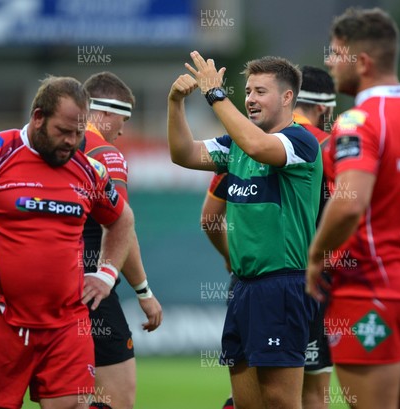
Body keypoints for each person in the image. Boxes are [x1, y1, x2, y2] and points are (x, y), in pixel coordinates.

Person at [0, 76, 134, 409]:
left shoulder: (89, 170)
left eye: (79, 133)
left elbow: (122, 219)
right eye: (63, 131)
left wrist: (106, 275)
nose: (72, 142)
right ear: (38, 117)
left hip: (67, 322)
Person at [306, 7, 400, 409]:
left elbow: (349, 204)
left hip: (370, 287)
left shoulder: (359, 120)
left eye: (336, 53)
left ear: (362, 62)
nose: (328, 61)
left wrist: (317, 257)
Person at [169, 52, 322, 409]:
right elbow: (183, 153)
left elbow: (257, 145)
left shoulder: (300, 142)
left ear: (287, 98)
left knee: (280, 401)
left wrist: (215, 95)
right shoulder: (235, 146)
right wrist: (175, 103)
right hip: (243, 288)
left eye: (261, 91)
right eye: (248, 91)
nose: (250, 98)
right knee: (247, 403)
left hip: (282, 286)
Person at [81, 71, 163, 409]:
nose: (123, 130)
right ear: (101, 111)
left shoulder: (47, 146)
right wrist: (144, 293)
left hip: (43, 293)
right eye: (122, 118)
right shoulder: (105, 153)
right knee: (116, 400)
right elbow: (120, 228)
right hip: (91, 292)